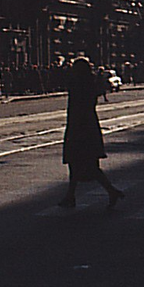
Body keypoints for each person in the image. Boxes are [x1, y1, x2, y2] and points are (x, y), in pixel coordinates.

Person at [57, 57, 124, 209]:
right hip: (87, 126)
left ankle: (110, 191)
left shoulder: (79, 85)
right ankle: (71, 196)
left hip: (80, 128)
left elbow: (77, 107)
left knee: (84, 165)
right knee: (79, 164)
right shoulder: (89, 84)